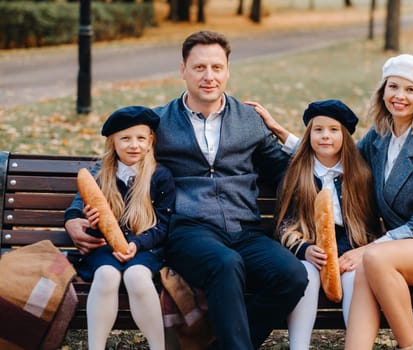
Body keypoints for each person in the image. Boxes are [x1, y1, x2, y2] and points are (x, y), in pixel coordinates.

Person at [66, 30, 308, 350]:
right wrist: (72, 216)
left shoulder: (249, 120)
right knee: (225, 264)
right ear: (183, 70)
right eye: (199, 68)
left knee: (291, 276)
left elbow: (287, 173)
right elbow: (106, 168)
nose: (209, 76)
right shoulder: (159, 122)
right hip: (187, 231)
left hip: (245, 229)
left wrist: (281, 132)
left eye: (217, 68)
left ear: (227, 71)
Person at [256, 54, 413, 350]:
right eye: (393, 87)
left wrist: (368, 248)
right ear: (382, 92)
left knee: (372, 259)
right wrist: (284, 134)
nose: (399, 96)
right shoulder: (379, 138)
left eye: (410, 89)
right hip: (398, 250)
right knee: (369, 265)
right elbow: (335, 155)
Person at [252, 99, 380, 350]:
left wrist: (353, 253)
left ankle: (357, 345)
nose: (325, 136)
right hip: (309, 244)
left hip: (350, 246)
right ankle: (299, 346)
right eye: (318, 130)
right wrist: (305, 249)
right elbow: (284, 224)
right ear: (309, 134)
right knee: (306, 275)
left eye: (333, 130)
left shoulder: (359, 174)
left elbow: (369, 225)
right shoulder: (297, 172)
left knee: (355, 278)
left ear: (344, 136)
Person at [64, 106, 176, 350]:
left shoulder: (160, 176)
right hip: (105, 248)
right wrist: (92, 225)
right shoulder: (101, 175)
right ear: (112, 143)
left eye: (140, 138)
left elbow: (163, 225)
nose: (133, 145)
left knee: (137, 276)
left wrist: (136, 244)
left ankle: (158, 346)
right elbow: (94, 228)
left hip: (146, 246)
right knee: (106, 275)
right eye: (125, 138)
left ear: (150, 141)